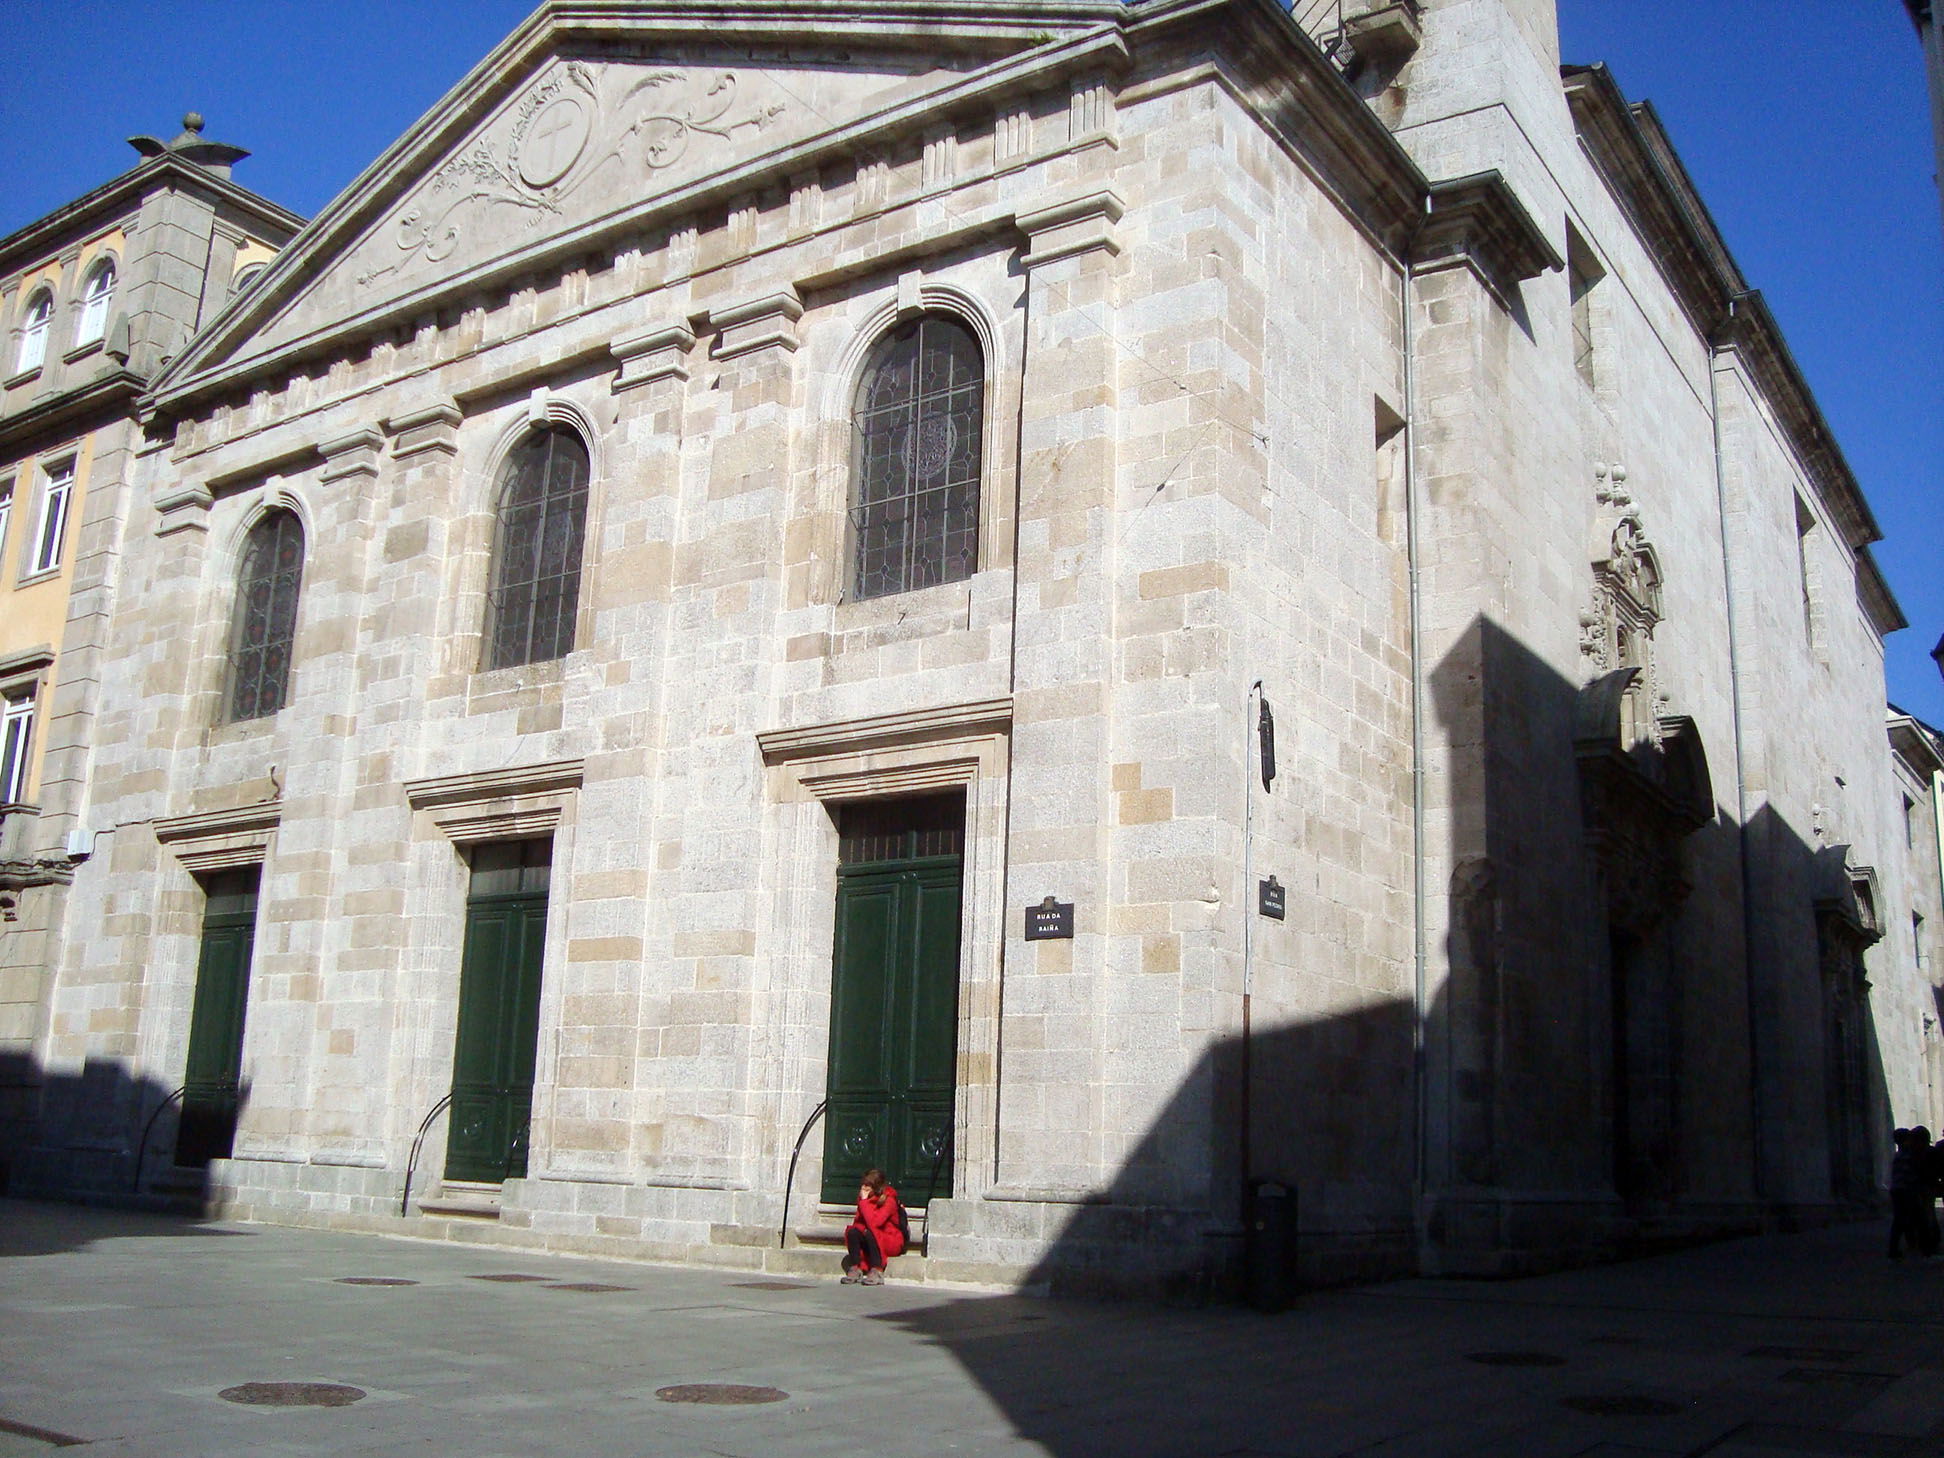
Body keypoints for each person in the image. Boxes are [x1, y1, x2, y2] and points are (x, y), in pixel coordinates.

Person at [841, 1168, 906, 1285]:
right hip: (871, 1236)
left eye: (868, 1185)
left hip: (891, 1239)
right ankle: (856, 1267)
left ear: (876, 1187)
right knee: (853, 1231)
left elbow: (875, 1223)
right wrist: (864, 1202)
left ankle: (877, 1270)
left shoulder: (889, 1200)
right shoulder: (864, 1200)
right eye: (864, 1185)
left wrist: (864, 1202)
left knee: (871, 1232)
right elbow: (858, 1221)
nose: (864, 1188)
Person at [1887, 1127, 1927, 1260]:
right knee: (1910, 1218)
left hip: (1897, 1189)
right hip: (1905, 1190)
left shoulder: (1899, 1155)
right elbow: (1911, 1175)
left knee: (1902, 1220)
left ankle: (1904, 1246)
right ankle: (1917, 1246)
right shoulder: (1906, 1156)